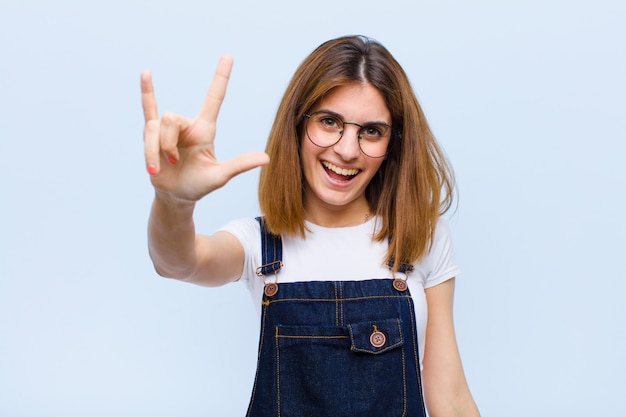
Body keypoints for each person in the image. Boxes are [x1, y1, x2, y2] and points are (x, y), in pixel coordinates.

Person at [141, 35, 480, 417]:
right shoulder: (257, 243)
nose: (348, 150)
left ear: (394, 143)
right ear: (297, 126)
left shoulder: (421, 238)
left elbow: (449, 398)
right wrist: (174, 201)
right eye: (329, 121)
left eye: (371, 131)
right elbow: (177, 262)